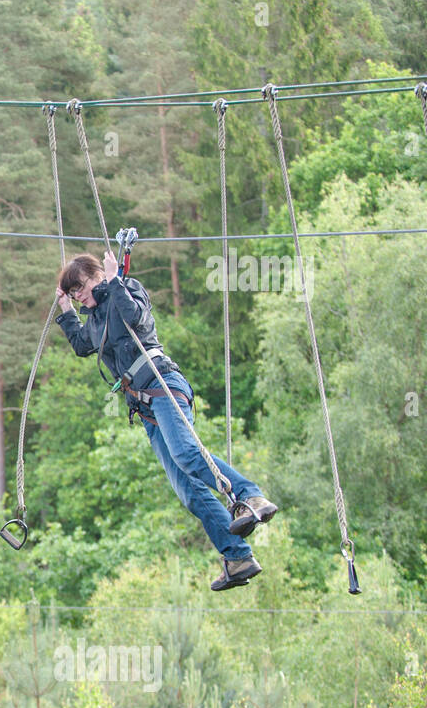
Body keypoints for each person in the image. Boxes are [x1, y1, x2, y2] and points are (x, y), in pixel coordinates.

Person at [54, 250, 278, 591]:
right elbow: (83, 345)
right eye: (73, 293)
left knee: (186, 453)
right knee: (189, 490)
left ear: (98, 275)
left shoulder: (126, 289)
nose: (79, 295)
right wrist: (67, 311)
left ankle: (250, 497)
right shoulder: (96, 318)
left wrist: (115, 281)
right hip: (146, 407)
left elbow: (135, 316)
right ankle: (237, 557)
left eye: (80, 287)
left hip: (163, 385)